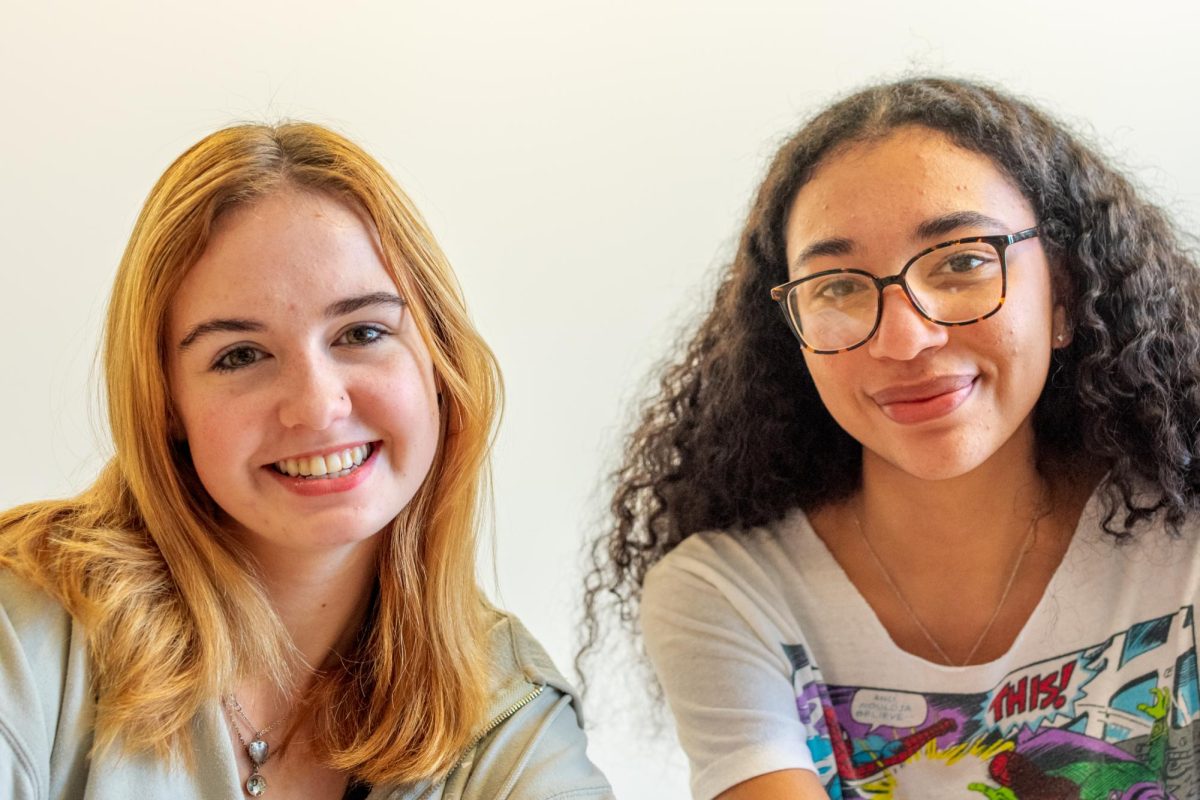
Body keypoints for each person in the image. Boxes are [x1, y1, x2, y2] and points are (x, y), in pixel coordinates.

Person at [581, 77, 1200, 799]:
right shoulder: (730, 595)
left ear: (1064, 294)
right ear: (793, 340)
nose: (905, 338)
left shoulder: (1184, 543)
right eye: (838, 286)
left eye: (963, 261)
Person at [0, 122, 613, 800]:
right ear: (164, 403)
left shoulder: (510, 720)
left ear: (439, 365)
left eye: (362, 333)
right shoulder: (22, 628)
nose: (317, 407)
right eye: (240, 355)